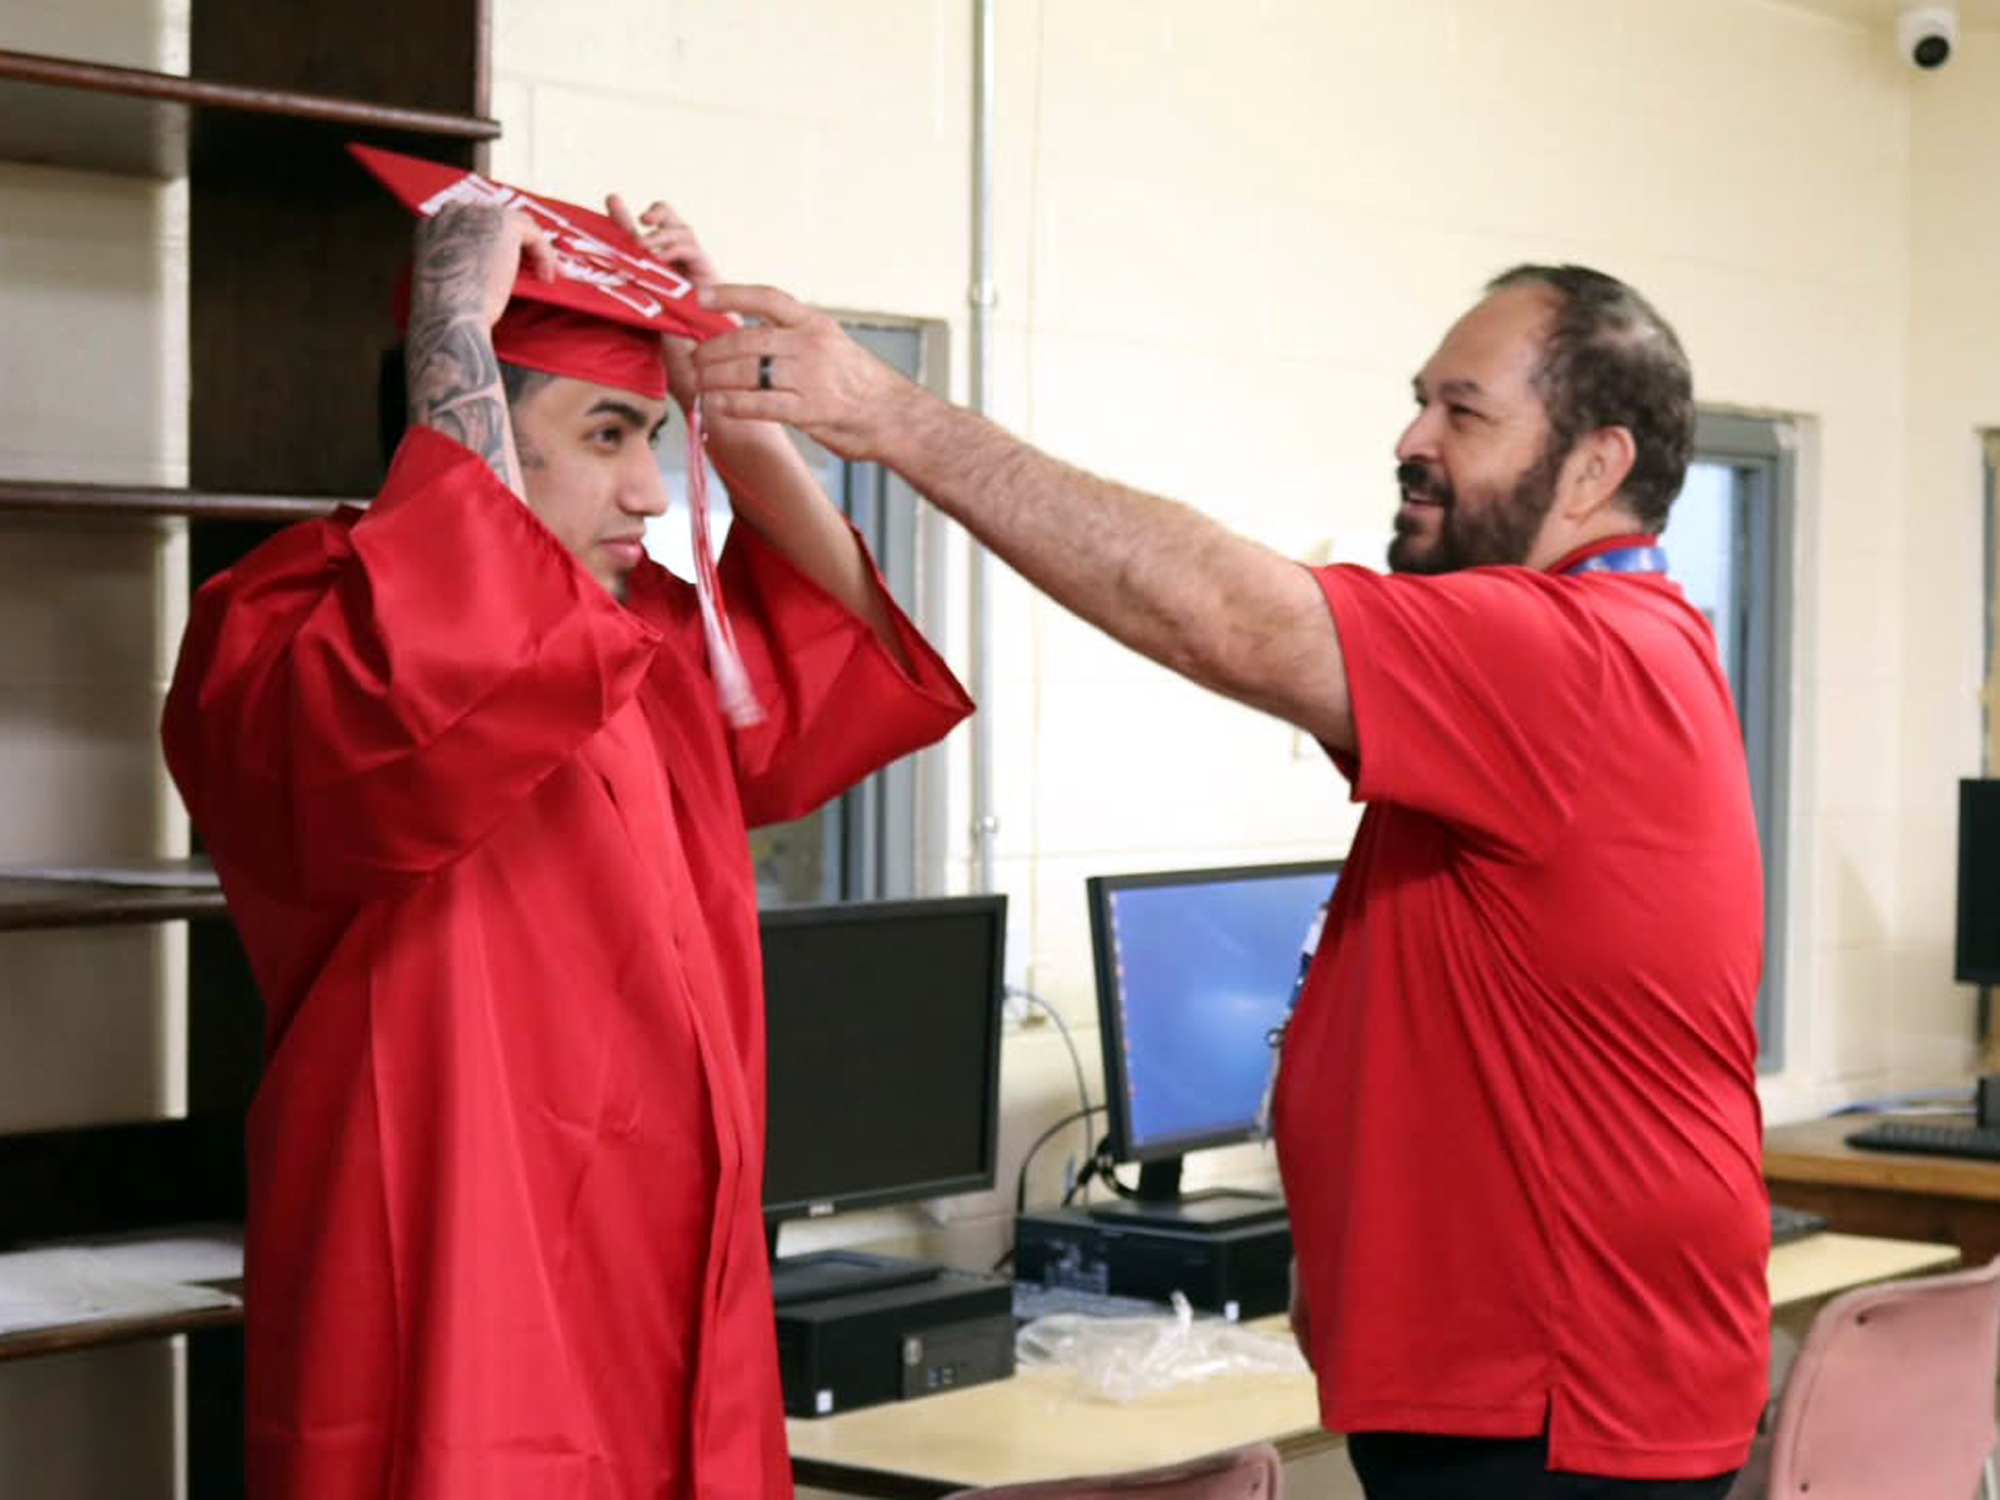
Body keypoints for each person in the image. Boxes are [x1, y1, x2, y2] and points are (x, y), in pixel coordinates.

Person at [690, 265, 1766, 1498]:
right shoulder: (1599, 658)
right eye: (1417, 402)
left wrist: (890, 415)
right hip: (1538, 1389)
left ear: (1592, 466)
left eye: (1462, 414)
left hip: (1554, 1410)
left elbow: (1213, 612)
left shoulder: (1567, 658)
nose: (1410, 442)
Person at [161, 174, 971, 1498]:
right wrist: (452, 336)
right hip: (457, 1311)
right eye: (607, 434)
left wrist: (722, 394)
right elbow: (437, 686)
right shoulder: (286, 627)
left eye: (656, 437)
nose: (653, 495)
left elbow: (844, 662)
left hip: (671, 1301)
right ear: (454, 404)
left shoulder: (641, 640)